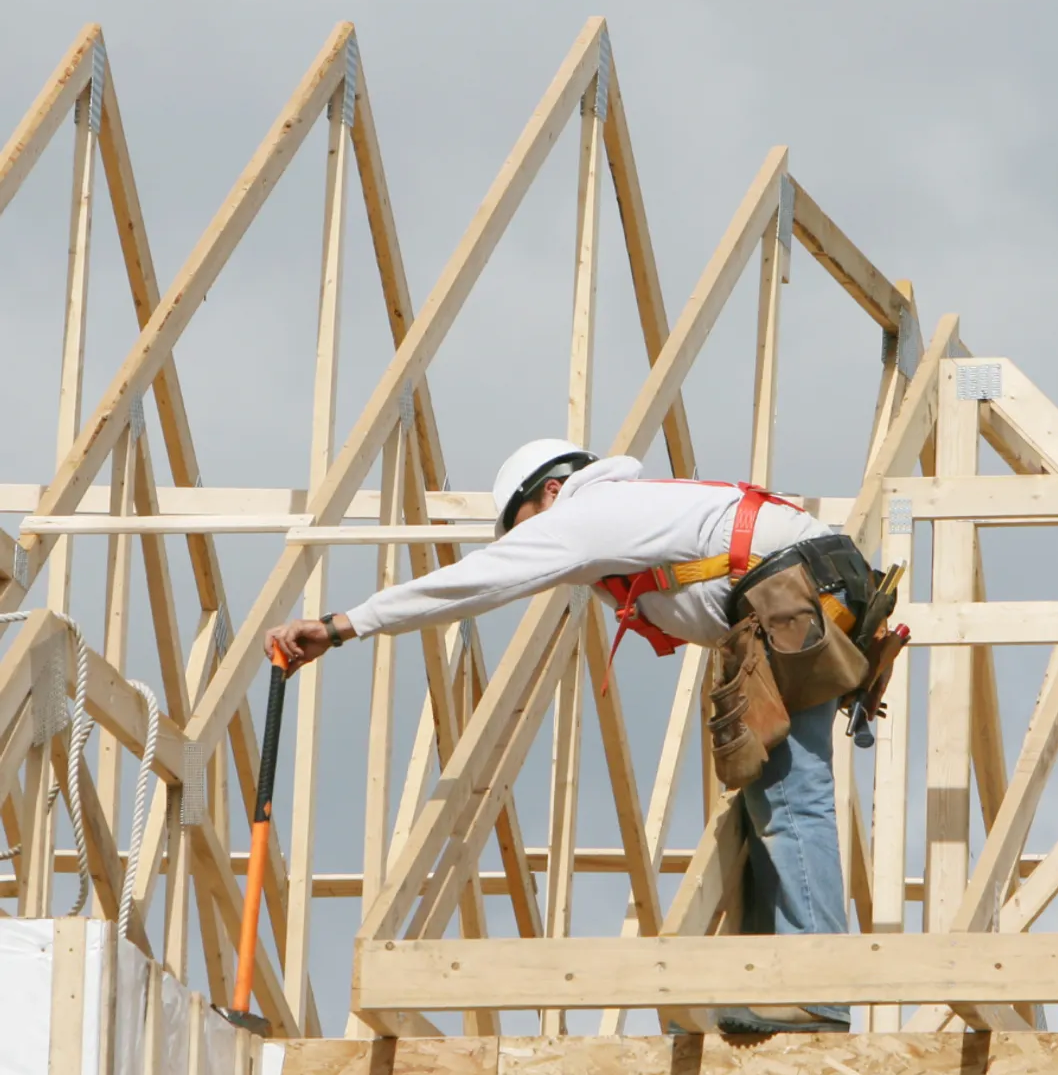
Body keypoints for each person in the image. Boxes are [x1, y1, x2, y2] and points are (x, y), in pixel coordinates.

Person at [265, 439, 901, 1035]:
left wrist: (344, 624)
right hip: (812, 588)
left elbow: (473, 582)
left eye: (525, 528)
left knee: (790, 791)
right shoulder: (635, 508)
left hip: (788, 594)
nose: (532, 545)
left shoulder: (588, 512)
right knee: (779, 788)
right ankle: (787, 981)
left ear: (548, 493)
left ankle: (815, 989)